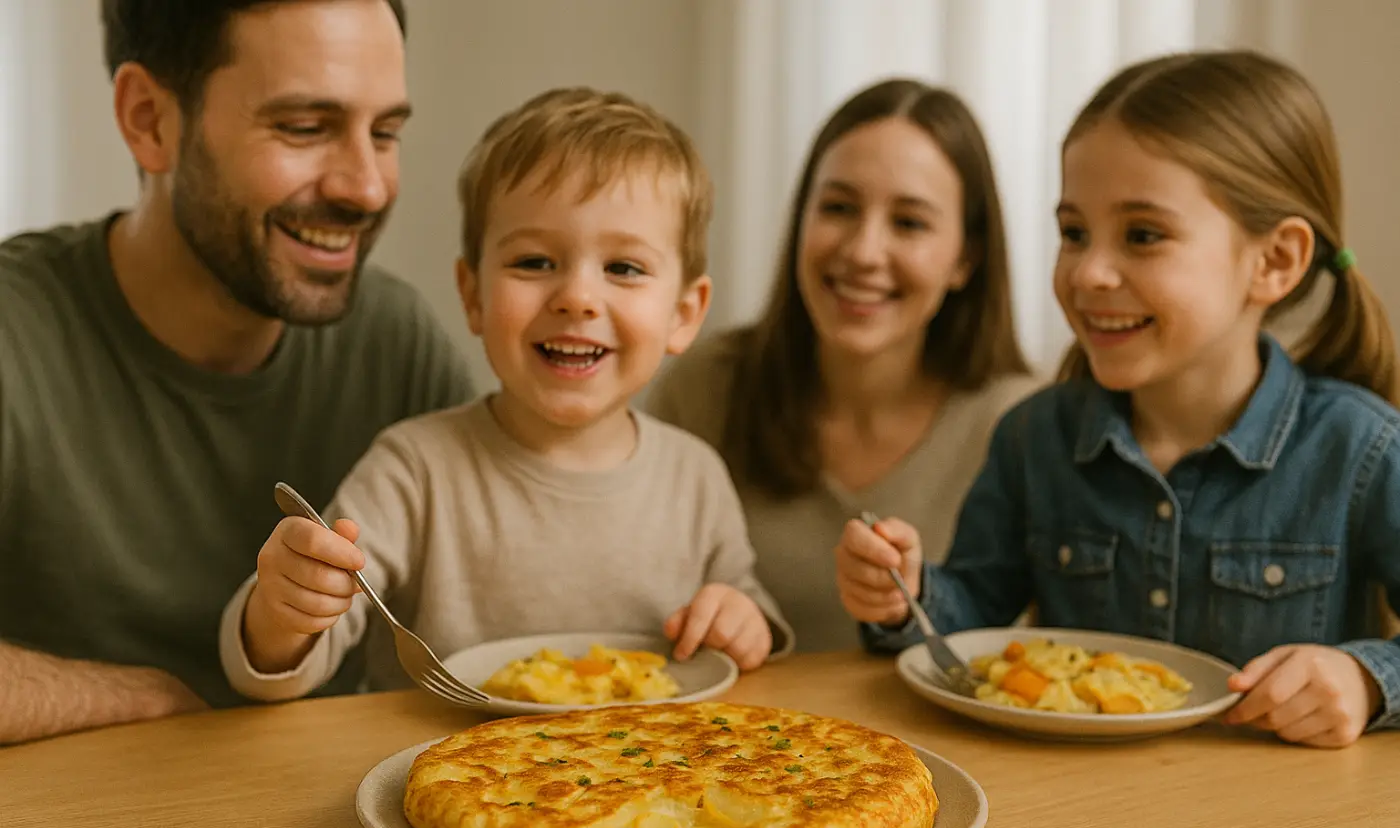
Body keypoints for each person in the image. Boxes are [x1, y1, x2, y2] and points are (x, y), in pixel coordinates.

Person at [836, 50, 1400, 748]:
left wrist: (1365, 677)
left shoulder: (1361, 448)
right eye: (1073, 232)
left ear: (1274, 261)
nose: (1090, 271)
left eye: (1143, 235)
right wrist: (905, 595)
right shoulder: (1032, 438)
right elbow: (971, 620)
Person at [0, 0, 475, 744]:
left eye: (384, 133)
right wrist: (138, 697)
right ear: (149, 120)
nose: (368, 187)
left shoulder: (395, 337)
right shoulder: (14, 331)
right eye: (305, 128)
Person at [219, 87, 794, 701]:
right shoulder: (415, 469)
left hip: (646, 787)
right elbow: (290, 662)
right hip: (444, 776)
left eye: (623, 268)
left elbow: (745, 618)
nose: (577, 297)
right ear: (473, 294)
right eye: (534, 262)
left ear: (683, 312)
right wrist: (285, 610)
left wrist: (740, 621)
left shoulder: (696, 477)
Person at [645, 79, 1041, 652]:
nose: (862, 250)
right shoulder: (704, 387)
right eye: (838, 208)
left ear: (965, 258)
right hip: (735, 739)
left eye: (909, 222)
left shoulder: (1026, 422)